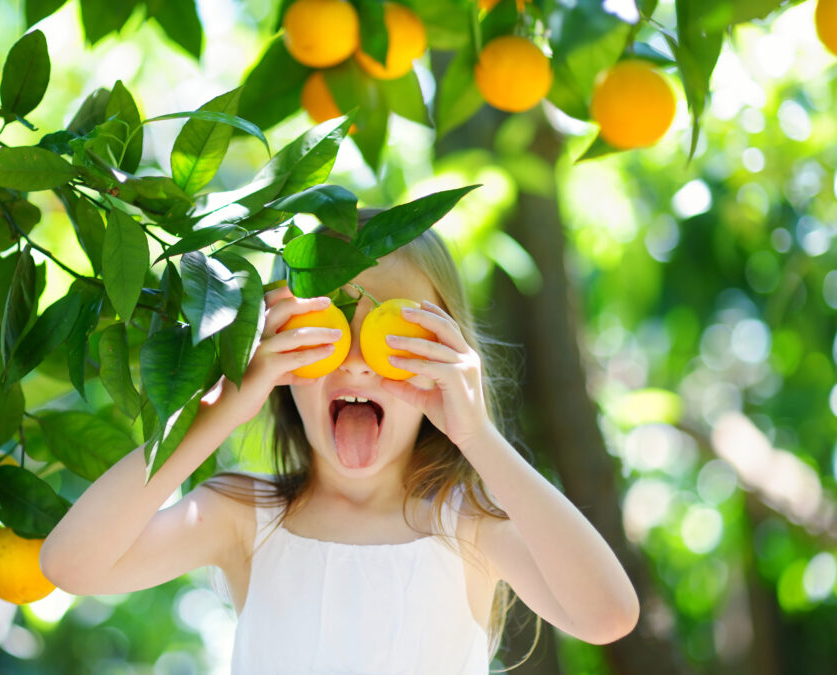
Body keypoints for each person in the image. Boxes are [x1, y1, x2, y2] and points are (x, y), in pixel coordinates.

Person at [40, 216, 640, 673]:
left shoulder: (467, 525)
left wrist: (476, 435)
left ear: (446, 357)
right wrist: (216, 414)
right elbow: (71, 565)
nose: (356, 364)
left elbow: (606, 614)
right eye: (320, 333)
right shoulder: (247, 518)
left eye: (395, 336)